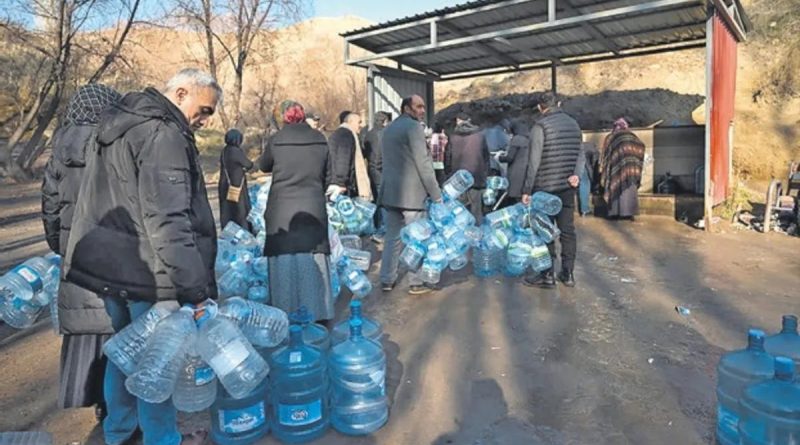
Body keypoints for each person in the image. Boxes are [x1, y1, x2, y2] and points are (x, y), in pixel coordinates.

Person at [64, 68, 221, 445]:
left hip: (110, 267)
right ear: (180, 93)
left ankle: (119, 430)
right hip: (147, 273)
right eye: (203, 110)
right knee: (157, 361)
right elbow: (167, 220)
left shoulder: (117, 125)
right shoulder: (162, 134)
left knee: (123, 351)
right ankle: (161, 438)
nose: (203, 121)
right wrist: (196, 288)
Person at [41, 83, 121, 422]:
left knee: (83, 324)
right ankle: (115, 403)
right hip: (114, 251)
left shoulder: (59, 146)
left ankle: (89, 393)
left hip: (76, 253)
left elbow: (50, 205)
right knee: (114, 326)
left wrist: (60, 246)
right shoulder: (115, 142)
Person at [257, 100, 335, 322]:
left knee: (283, 259)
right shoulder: (320, 139)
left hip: (282, 209)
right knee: (314, 257)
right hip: (312, 208)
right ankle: (319, 313)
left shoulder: (276, 140)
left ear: (284, 118)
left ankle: (285, 314)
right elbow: (328, 176)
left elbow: (264, 166)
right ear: (303, 117)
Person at [379, 95, 443, 295]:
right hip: (412, 196)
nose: (422, 110)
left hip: (391, 193)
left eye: (424, 106)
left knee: (392, 238)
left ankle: (387, 279)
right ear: (407, 108)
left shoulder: (388, 129)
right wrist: (436, 194)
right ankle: (416, 282)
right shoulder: (414, 128)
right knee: (416, 239)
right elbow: (424, 164)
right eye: (419, 107)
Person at [521, 92, 584, 289]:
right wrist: (577, 174)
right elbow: (580, 154)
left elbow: (533, 162)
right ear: (558, 104)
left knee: (544, 231)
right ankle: (568, 273)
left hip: (544, 188)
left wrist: (527, 190)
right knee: (567, 231)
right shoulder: (574, 125)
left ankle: (547, 275)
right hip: (567, 187)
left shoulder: (540, 127)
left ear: (540, 107)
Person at [445, 111, 490, 222]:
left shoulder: (452, 137)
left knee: (459, 214)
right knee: (476, 214)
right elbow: (486, 158)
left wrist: (449, 175)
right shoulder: (480, 136)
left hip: (458, 181)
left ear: (458, 121)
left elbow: (447, 159)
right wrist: (485, 177)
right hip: (476, 180)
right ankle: (477, 236)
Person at [601, 118, 645, 220]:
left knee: (615, 186)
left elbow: (606, 153)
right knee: (630, 188)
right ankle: (630, 213)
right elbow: (641, 146)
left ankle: (614, 213)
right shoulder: (633, 136)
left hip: (615, 168)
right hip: (631, 168)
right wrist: (634, 160)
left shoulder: (611, 137)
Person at [328, 111, 371, 200]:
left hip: (336, 182)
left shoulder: (338, 134)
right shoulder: (346, 136)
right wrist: (341, 183)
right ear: (350, 122)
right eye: (359, 122)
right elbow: (343, 160)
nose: (361, 125)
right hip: (342, 186)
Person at [362, 111, 391, 241]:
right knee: (384, 203)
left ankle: (376, 227)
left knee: (376, 202)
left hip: (371, 172)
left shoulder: (368, 133)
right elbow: (379, 157)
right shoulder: (383, 134)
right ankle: (383, 231)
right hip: (380, 172)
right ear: (384, 121)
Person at [218, 129, 254, 231]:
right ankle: (243, 233)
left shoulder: (224, 151)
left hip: (225, 185)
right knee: (240, 213)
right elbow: (248, 164)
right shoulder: (236, 151)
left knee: (227, 212)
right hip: (236, 185)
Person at [498, 119, 531, 205]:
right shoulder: (529, 138)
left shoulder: (517, 139)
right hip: (526, 172)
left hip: (516, 174)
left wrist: (499, 157)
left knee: (513, 201)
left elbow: (509, 157)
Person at [577, 142, 598, 216]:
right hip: (583, 164)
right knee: (585, 184)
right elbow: (594, 163)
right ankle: (585, 209)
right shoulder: (593, 149)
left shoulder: (587, 147)